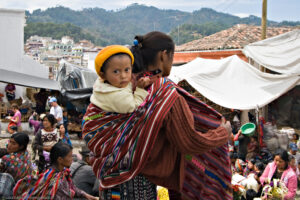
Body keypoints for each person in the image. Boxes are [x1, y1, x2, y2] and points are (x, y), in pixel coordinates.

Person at [82, 31, 232, 200]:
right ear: (164, 55)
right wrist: (222, 133)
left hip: (109, 183)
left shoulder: (119, 83)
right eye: (172, 56)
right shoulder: (163, 92)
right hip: (137, 186)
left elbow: (93, 122)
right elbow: (188, 142)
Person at [13, 142, 98, 200]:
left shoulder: (62, 173)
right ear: (60, 159)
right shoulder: (56, 181)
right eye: (70, 156)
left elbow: (72, 188)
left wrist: (86, 195)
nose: (72, 159)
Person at [90, 45, 150, 114]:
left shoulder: (104, 83)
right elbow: (134, 107)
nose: (123, 76)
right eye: (116, 72)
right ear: (103, 75)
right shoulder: (116, 96)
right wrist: (140, 89)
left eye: (127, 70)